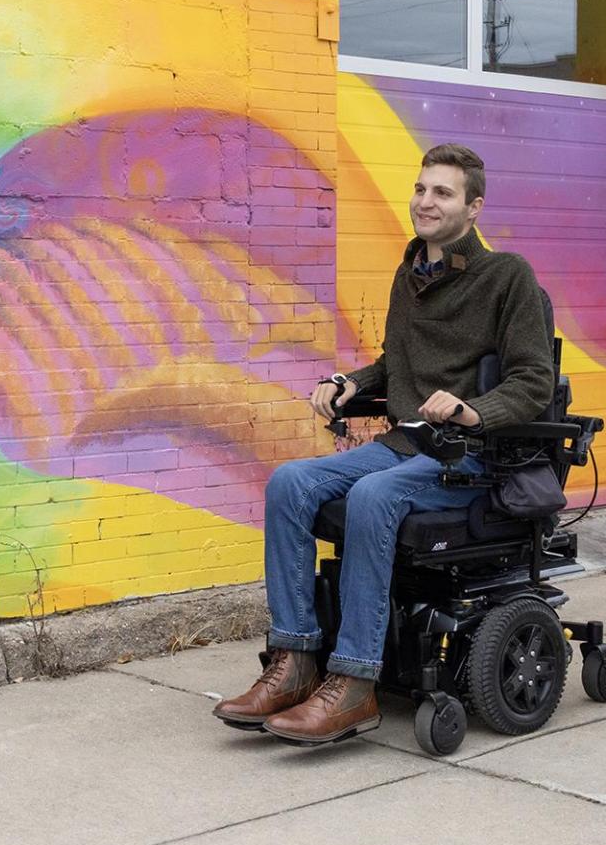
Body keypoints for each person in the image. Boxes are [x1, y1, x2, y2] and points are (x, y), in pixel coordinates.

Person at [213, 144, 556, 744]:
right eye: (422, 188)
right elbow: (394, 367)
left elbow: (534, 381)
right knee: (290, 482)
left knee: (373, 495)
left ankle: (354, 684)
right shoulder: (410, 275)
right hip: (405, 444)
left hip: (468, 457)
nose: (426, 201)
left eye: (443, 193)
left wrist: (474, 410)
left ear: (473, 208)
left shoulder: (507, 277)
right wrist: (348, 383)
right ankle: (295, 661)